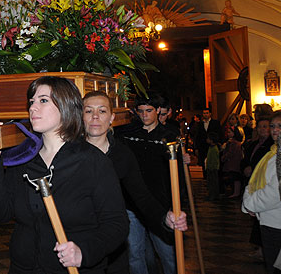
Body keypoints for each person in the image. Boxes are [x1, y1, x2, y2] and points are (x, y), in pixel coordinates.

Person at [0, 76, 128, 273]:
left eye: (43, 100)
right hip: (24, 268)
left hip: (74, 269)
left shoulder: (93, 162)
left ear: (66, 106)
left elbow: (116, 224)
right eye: (32, 101)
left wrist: (83, 252)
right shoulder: (24, 159)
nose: (33, 107)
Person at [82, 91, 187, 274]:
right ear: (80, 116)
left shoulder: (122, 154)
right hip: (78, 236)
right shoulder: (69, 152)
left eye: (102, 111)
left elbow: (142, 195)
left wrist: (165, 217)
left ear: (112, 117)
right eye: (89, 111)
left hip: (112, 237)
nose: (95, 117)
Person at [116, 92, 180, 274]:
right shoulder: (127, 134)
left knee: (168, 255)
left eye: (149, 110)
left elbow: (177, 176)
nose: (145, 115)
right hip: (132, 205)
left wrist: (177, 204)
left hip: (160, 204)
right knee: (135, 255)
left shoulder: (170, 136)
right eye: (141, 111)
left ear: (158, 110)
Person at [242, 110, 281, 273]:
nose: (275, 130)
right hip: (269, 219)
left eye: (280, 126)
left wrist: (250, 203)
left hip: (276, 222)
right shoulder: (274, 152)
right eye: (272, 126)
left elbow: (275, 192)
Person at [193, 108, 222, 176]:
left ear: (210, 114)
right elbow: (197, 136)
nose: (205, 115)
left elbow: (219, 133)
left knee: (213, 161)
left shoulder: (215, 123)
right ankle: (205, 176)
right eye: (204, 113)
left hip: (213, 145)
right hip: (203, 146)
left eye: (207, 113)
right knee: (204, 162)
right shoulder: (200, 124)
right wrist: (196, 147)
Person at [221, 127, 243, 198]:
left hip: (233, 162)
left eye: (229, 132)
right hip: (234, 162)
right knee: (234, 178)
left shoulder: (233, 143)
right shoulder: (235, 142)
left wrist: (224, 157)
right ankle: (234, 192)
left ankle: (236, 192)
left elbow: (230, 152)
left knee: (235, 178)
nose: (228, 134)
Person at [206, 133, 221, 201]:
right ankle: (211, 194)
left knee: (213, 182)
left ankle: (213, 195)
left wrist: (212, 167)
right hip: (210, 167)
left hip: (213, 168)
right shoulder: (211, 147)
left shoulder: (214, 149)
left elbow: (215, 160)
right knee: (210, 182)